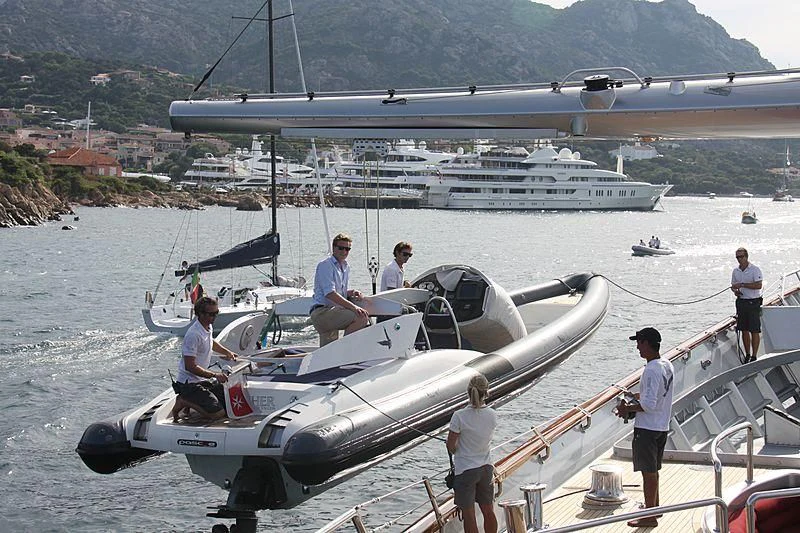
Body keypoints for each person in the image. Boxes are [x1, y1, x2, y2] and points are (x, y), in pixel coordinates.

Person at [616, 327, 674, 528]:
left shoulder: (650, 370)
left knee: (647, 473)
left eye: (640, 343)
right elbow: (658, 395)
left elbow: (648, 406)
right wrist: (637, 395)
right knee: (654, 470)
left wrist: (626, 409)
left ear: (649, 344)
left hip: (647, 430)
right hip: (661, 426)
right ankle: (654, 508)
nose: (637, 347)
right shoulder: (666, 365)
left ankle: (649, 517)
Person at [171, 296, 238, 421]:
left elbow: (210, 341)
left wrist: (227, 352)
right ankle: (183, 401)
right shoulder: (193, 335)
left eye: (216, 313)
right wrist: (215, 375)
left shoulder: (207, 326)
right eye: (211, 314)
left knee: (228, 404)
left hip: (201, 380)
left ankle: (191, 403)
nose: (214, 317)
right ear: (200, 314)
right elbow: (190, 366)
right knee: (218, 414)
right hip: (188, 384)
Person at [447, 374, 498, 533]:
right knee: (488, 510)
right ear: (486, 392)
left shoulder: (459, 416)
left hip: (466, 471)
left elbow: (450, 446)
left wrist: (458, 449)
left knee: (469, 516)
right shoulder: (492, 414)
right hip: (486, 469)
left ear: (468, 392)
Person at [309, 233, 370, 346]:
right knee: (361, 317)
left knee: (327, 350)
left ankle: (330, 358)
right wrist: (354, 307)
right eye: (341, 248)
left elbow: (336, 292)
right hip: (322, 312)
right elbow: (329, 294)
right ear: (333, 248)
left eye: (347, 249)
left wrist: (350, 292)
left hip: (333, 311)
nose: (344, 251)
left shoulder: (346, 267)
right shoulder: (326, 265)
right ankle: (344, 350)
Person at [731, 247, 763, 362]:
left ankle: (754, 355)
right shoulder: (735, 271)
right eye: (737, 257)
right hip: (741, 302)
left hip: (753, 302)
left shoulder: (755, 270)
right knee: (743, 329)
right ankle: (747, 354)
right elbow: (733, 286)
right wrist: (736, 291)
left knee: (754, 330)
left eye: (741, 257)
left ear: (746, 256)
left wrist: (743, 285)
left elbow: (759, 285)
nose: (739, 259)